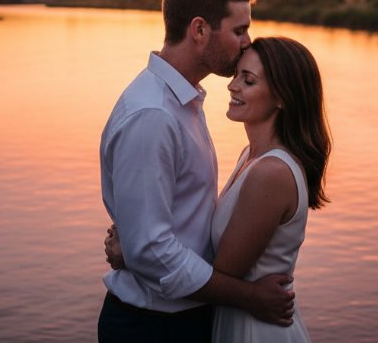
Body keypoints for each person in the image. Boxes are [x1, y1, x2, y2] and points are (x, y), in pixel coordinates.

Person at [98, 0, 296, 343]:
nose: (247, 42)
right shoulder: (153, 115)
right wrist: (250, 297)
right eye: (239, 30)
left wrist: (135, 250)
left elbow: (158, 239)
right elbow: (153, 252)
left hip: (180, 320)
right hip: (154, 329)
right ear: (200, 29)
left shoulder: (182, 101)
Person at [107, 35, 332, 343]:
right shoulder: (250, 157)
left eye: (248, 80)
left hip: (255, 328)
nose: (232, 85)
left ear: (282, 97)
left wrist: (138, 256)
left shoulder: (271, 173)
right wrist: (140, 248)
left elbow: (223, 272)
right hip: (233, 316)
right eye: (237, 74)